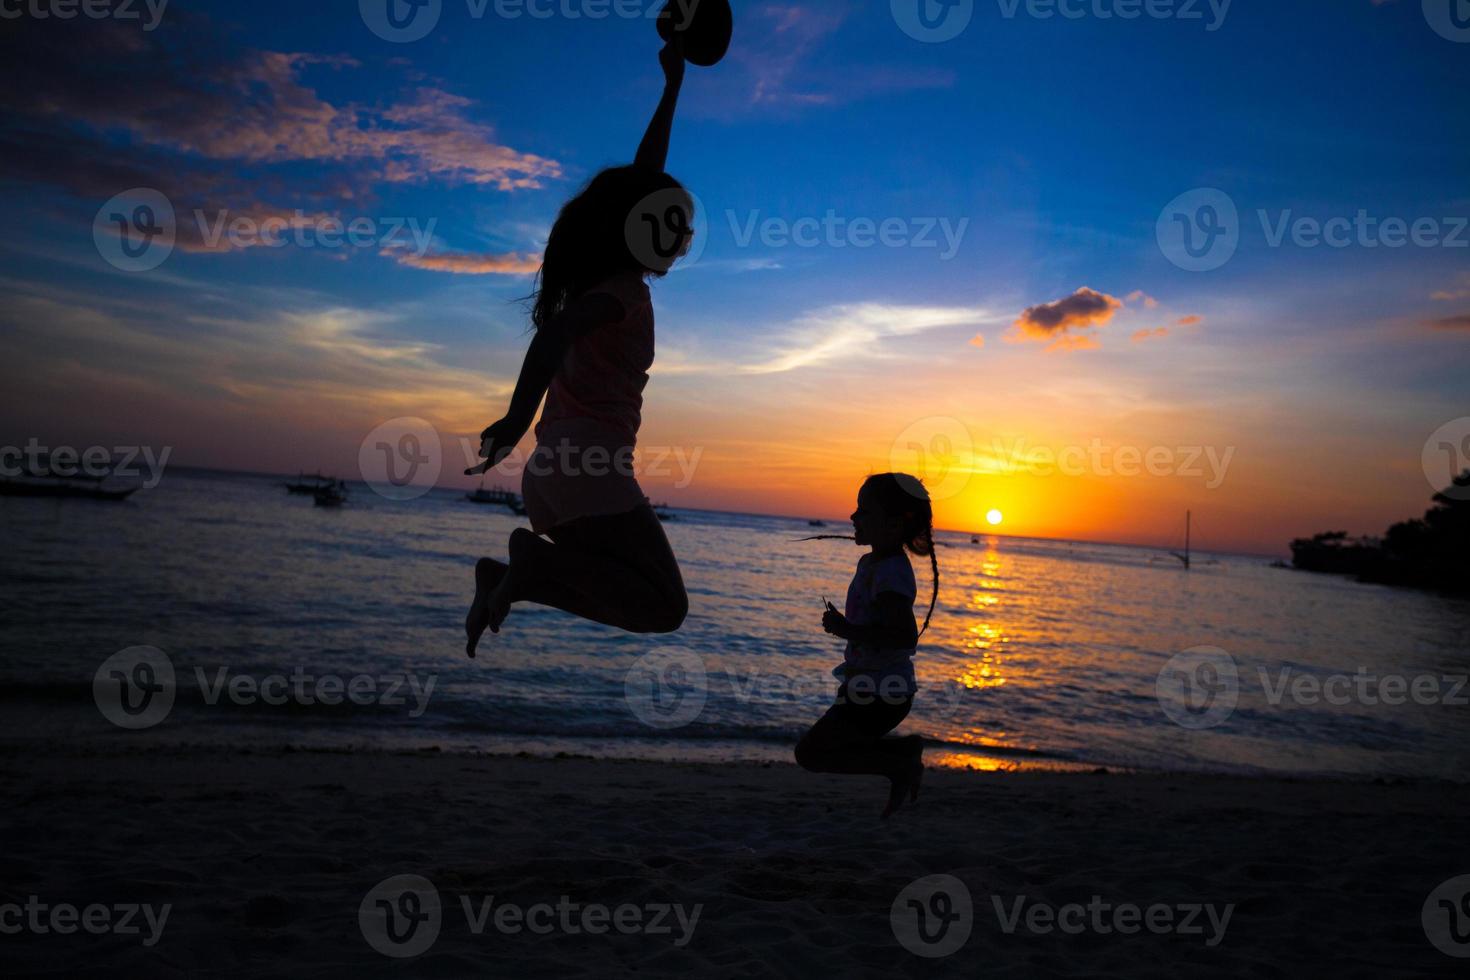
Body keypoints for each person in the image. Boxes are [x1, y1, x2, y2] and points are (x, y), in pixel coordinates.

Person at [465, 40, 694, 656]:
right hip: (584, 466)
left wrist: (672, 87)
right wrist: (514, 420)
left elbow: (643, 179)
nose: (679, 234)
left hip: (559, 472)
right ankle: (528, 569)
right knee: (664, 605)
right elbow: (554, 335)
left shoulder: (603, 284)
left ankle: (515, 573)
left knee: (636, 594)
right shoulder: (618, 294)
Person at [795, 473, 939, 818]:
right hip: (867, 684)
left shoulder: (891, 573)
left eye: (863, 511)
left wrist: (847, 629)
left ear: (891, 525)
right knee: (822, 750)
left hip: (882, 692)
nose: (853, 518)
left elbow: (903, 636)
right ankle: (904, 753)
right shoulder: (872, 564)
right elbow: (878, 623)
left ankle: (899, 766)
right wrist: (848, 625)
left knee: (812, 754)